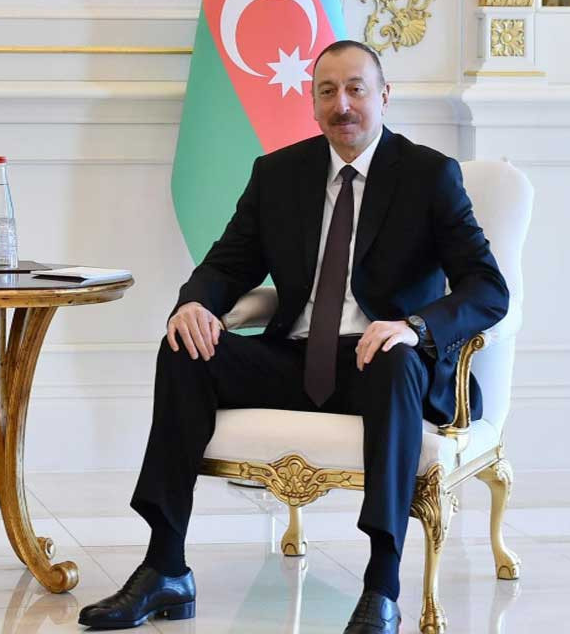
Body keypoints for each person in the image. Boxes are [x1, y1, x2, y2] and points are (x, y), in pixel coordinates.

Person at [79, 40, 508, 634]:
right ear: (312, 103)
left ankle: (381, 586)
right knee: (185, 347)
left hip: (382, 363)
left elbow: (487, 288)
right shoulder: (279, 173)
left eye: (356, 89)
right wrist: (195, 305)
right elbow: (227, 264)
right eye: (327, 91)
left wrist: (413, 328)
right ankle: (165, 567)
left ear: (384, 96)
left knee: (392, 360)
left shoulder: (428, 175)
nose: (342, 105)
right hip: (296, 357)